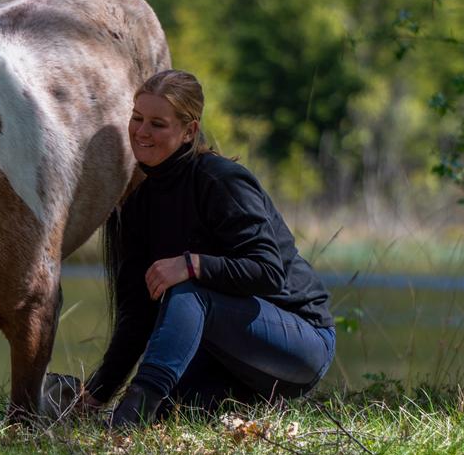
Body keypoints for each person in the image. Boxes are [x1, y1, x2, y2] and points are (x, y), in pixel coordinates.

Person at [79, 70, 336, 429]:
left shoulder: (222, 180)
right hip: (227, 357)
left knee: (191, 291)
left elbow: (268, 272)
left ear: (189, 131)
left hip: (299, 343)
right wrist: (97, 394)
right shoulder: (139, 207)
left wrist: (192, 264)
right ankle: (144, 411)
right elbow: (136, 316)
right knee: (170, 411)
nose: (141, 132)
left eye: (158, 123)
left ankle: (129, 418)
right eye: (137, 118)